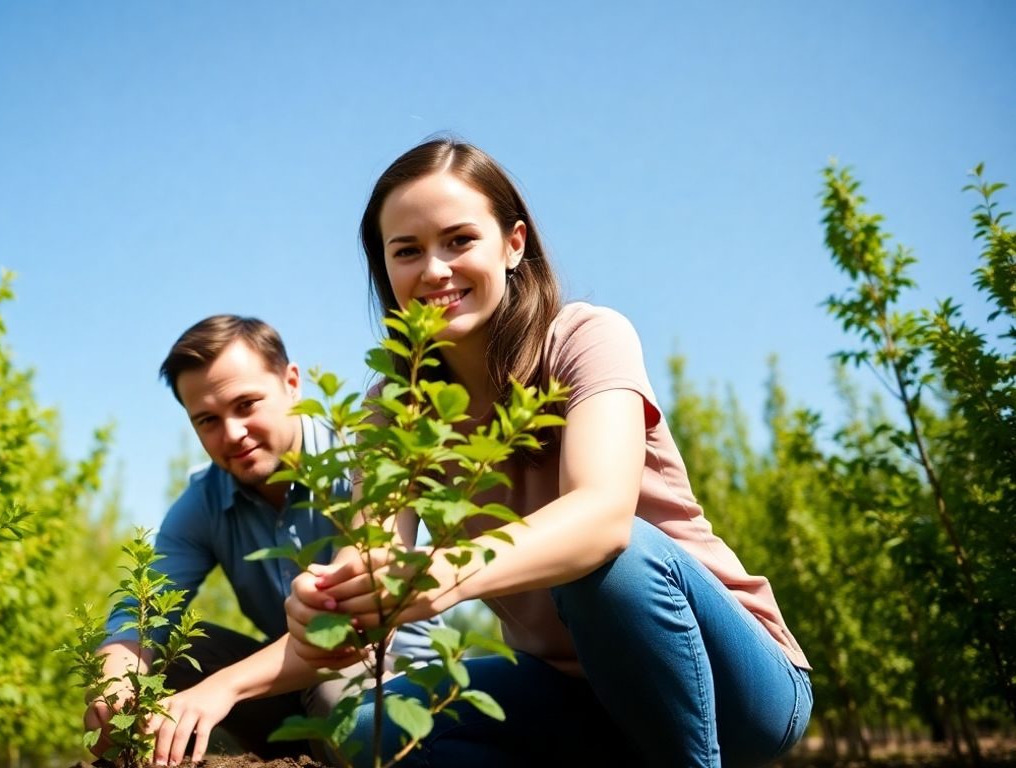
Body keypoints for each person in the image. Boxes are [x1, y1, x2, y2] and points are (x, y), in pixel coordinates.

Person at [285, 139, 814, 767]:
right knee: (367, 727)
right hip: (575, 700)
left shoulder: (586, 338)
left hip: (736, 687)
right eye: (407, 251)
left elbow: (601, 517)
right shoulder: (392, 408)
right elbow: (377, 554)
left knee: (605, 563)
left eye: (459, 240)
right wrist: (333, 599)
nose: (433, 269)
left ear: (514, 244)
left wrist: (441, 573)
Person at [84, 315, 440, 766]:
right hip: (288, 688)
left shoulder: (361, 460)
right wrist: (114, 677)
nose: (232, 433)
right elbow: (142, 610)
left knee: (339, 693)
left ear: (292, 383)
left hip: (395, 682)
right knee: (166, 659)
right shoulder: (202, 505)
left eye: (246, 404)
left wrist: (222, 688)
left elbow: (354, 627)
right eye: (208, 420)